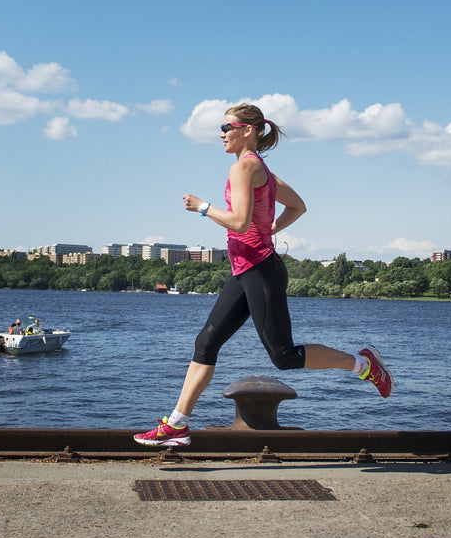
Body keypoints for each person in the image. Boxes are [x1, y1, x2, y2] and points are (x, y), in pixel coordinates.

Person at [134, 103, 393, 448]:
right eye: (222, 129)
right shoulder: (262, 171)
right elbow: (298, 206)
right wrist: (270, 227)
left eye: (227, 127)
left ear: (249, 130)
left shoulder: (243, 168)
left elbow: (240, 221)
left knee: (283, 356)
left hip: (260, 269)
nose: (221, 134)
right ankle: (177, 424)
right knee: (206, 342)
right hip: (245, 270)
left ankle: (364, 364)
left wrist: (204, 208)